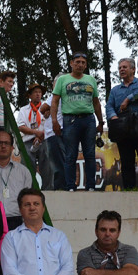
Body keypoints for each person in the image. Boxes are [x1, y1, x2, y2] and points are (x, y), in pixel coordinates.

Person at [51, 51, 104, 191]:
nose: (80, 65)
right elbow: (55, 101)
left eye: (83, 63)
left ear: (86, 65)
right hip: (70, 120)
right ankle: (70, 186)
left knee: (90, 154)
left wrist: (101, 121)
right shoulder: (63, 80)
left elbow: (96, 102)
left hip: (89, 119)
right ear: (71, 63)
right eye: (77, 62)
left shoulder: (91, 80)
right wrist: (54, 121)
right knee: (70, 155)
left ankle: (91, 186)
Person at [106, 58, 138, 189]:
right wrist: (113, 116)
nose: (121, 69)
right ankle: (129, 190)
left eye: (125, 67)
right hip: (123, 130)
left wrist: (128, 98)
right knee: (126, 162)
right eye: (120, 67)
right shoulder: (115, 90)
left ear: (133, 69)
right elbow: (109, 106)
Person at [0, 131, 33, 229]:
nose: (3, 146)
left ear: (12, 148)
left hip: (17, 221)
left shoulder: (23, 172)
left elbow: (28, 199)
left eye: (7, 143)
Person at [17, 83, 51, 190]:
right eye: (35, 92)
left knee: (47, 164)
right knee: (27, 165)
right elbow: (21, 126)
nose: (38, 94)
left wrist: (41, 135)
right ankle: (28, 190)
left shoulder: (46, 109)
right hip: (28, 140)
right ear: (30, 96)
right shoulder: (24, 110)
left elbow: (50, 125)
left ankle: (48, 189)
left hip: (43, 140)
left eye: (40, 92)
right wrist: (35, 132)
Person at [40, 74, 67, 191]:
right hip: (54, 133)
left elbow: (43, 109)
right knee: (59, 162)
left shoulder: (61, 96)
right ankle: (61, 187)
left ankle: (63, 186)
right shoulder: (54, 97)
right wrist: (49, 110)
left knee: (61, 161)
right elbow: (42, 108)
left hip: (59, 132)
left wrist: (48, 110)